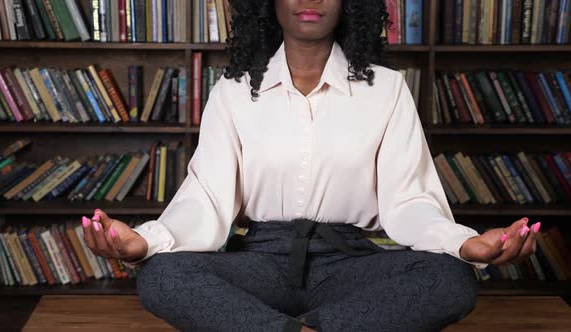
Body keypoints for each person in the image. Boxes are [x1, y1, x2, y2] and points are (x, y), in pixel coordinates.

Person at [81, 1, 540, 331]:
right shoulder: (235, 91)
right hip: (258, 261)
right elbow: (206, 198)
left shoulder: (387, 89)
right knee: (162, 275)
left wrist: (466, 245)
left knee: (451, 281)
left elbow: (409, 202)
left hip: (350, 262)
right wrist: (145, 241)